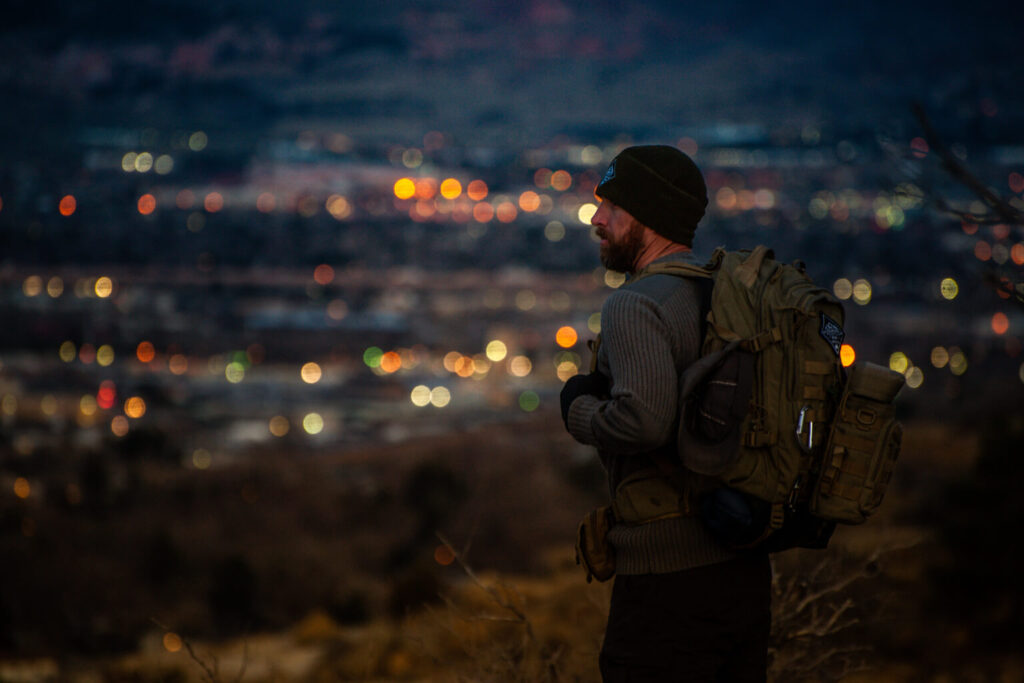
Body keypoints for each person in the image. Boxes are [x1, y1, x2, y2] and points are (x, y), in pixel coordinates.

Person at [560, 145, 771, 682]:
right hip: (742, 570)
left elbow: (644, 421)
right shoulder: (723, 294)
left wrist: (578, 409)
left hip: (668, 584)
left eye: (612, 206)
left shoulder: (637, 304)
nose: (596, 219)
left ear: (648, 215)